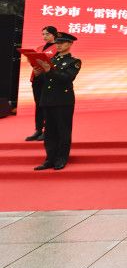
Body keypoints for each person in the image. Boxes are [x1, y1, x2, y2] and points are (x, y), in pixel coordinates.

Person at [34, 32, 81, 171]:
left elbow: (67, 78)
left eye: (62, 43)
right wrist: (39, 74)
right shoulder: (51, 60)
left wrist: (49, 71)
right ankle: (49, 159)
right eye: (57, 43)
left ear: (70, 44)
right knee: (49, 132)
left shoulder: (74, 62)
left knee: (63, 130)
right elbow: (46, 80)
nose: (58, 45)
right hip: (48, 99)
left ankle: (61, 158)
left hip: (63, 100)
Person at [26, 26, 59, 141]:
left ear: (54, 35)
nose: (44, 36)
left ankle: (48, 130)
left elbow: (55, 64)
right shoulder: (39, 48)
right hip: (37, 78)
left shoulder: (57, 48)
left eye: (47, 34)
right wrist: (32, 63)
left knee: (47, 105)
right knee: (38, 104)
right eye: (43, 34)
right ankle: (38, 129)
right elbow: (34, 61)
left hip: (48, 79)